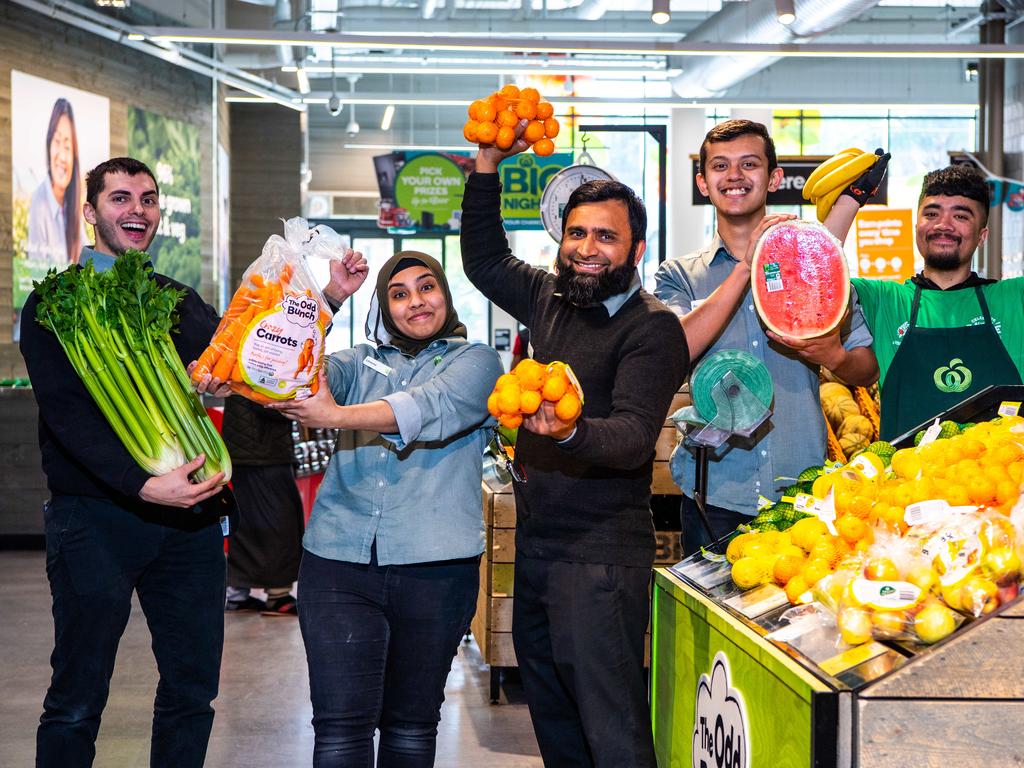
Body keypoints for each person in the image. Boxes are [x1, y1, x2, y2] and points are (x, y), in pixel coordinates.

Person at [460, 133, 688, 767]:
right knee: (554, 715)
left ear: (635, 249)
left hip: (601, 557)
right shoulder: (551, 296)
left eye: (606, 237)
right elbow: (482, 259)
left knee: (608, 725)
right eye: (578, 234)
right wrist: (486, 167)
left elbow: (635, 435)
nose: (588, 249)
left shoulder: (651, 327)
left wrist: (567, 431)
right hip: (539, 543)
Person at [20, 157, 232, 768]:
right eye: (119, 198)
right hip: (95, 519)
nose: (136, 209)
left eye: (147, 198)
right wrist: (143, 483)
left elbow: (235, 367)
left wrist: (318, 300)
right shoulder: (51, 306)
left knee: (193, 692)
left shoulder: (174, 300)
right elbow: (68, 419)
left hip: (189, 520)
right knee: (77, 696)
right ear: (90, 213)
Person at [270, 251, 503, 767]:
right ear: (384, 306)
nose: (416, 302)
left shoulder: (477, 361)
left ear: (445, 293)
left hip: (437, 568)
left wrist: (336, 415)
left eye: (427, 287)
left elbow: (430, 409)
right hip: (337, 564)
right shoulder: (360, 360)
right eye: (399, 294)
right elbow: (294, 370)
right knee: (339, 731)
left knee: (411, 728)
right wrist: (328, 300)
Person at [654, 119, 880, 556]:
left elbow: (864, 364)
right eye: (720, 166)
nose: (734, 175)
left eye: (749, 164)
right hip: (713, 491)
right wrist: (748, 265)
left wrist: (832, 353)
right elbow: (675, 350)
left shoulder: (816, 265)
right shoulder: (678, 276)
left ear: (774, 178)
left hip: (803, 490)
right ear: (703, 182)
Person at [848, 164, 1024, 439]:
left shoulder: (1014, 299)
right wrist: (850, 200)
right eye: (931, 213)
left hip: (1004, 480)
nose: (944, 225)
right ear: (916, 226)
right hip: (904, 480)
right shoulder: (885, 300)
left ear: (982, 236)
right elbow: (811, 283)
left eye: (961, 216)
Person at [221, 395, 305, 616]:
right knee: (279, 521)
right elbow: (269, 402)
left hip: (251, 450)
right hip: (261, 450)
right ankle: (278, 594)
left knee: (248, 521)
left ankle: (237, 594)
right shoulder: (260, 362)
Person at [27, 98, 85, 266]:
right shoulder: (39, 202)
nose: (61, 155)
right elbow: (37, 277)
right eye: (57, 142)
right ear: (48, 145)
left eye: (67, 147)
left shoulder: (71, 206)